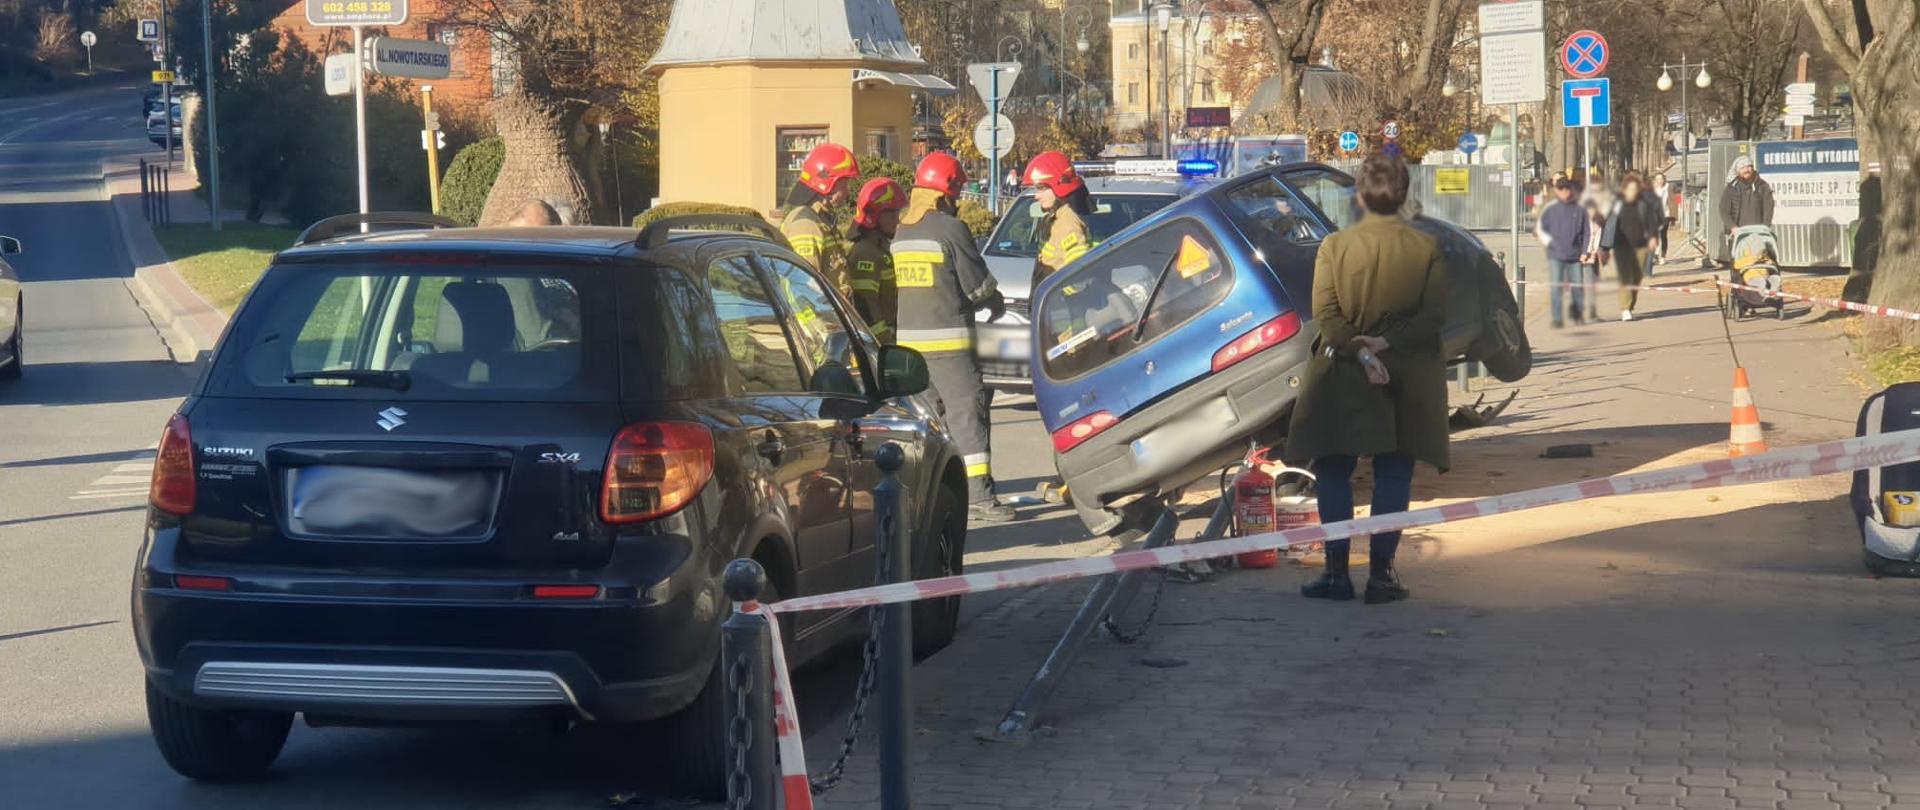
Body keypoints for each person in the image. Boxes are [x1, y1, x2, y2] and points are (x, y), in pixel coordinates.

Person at [1283, 155, 1449, 605]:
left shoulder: (1334, 248)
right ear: (1404, 195)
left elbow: (1327, 316)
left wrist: (1359, 349)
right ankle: (1382, 575)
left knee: (1334, 469)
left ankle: (1336, 575)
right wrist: (1384, 343)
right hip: (1407, 375)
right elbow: (1434, 316)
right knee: (1394, 471)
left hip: (1344, 374)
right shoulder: (1426, 248)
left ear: (1359, 195)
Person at [893, 152, 1013, 522]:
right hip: (949, 348)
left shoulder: (902, 230)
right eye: (957, 191)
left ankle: (930, 494)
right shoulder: (950, 229)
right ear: (946, 192)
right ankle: (979, 496)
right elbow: (977, 288)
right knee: (967, 417)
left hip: (910, 348)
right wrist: (996, 301)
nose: (958, 199)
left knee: (930, 424)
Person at [780, 143, 862, 298]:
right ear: (826, 183)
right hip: (819, 322)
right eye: (844, 184)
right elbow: (804, 291)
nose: (848, 192)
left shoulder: (822, 222)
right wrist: (821, 323)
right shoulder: (805, 226)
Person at [1021, 150, 1093, 292]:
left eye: (1041, 189)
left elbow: (1079, 280)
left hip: (1064, 309)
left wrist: (1059, 299)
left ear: (1059, 186)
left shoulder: (1068, 223)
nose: (1036, 196)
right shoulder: (1053, 219)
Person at [847, 177, 906, 343]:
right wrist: (886, 345)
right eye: (892, 214)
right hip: (878, 345)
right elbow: (865, 308)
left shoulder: (881, 250)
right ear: (875, 215)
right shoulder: (865, 254)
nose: (897, 219)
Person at [1535, 177, 1592, 328]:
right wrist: (1549, 243)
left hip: (1575, 256)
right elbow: (1541, 229)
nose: (1565, 192)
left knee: (1577, 287)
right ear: (1556, 191)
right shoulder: (1551, 209)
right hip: (1556, 256)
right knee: (1556, 288)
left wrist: (1585, 251)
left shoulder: (1580, 210)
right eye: (1561, 189)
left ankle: (1578, 313)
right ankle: (1556, 318)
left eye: (1567, 188)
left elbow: (1586, 231)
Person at [1608, 173, 1661, 321]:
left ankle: (1630, 305)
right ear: (1624, 190)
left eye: (1635, 189)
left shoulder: (1643, 203)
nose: (1632, 192)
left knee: (1636, 277)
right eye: (1629, 189)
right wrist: (1605, 246)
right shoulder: (1618, 203)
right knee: (1626, 276)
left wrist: (1653, 237)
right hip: (1622, 245)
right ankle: (1625, 308)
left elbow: (1652, 221)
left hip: (1640, 245)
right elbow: (1610, 223)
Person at [1720, 154, 1775, 234]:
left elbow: (1768, 208)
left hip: (1759, 232)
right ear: (1738, 171)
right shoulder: (1732, 188)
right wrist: (1733, 227)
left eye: (1749, 166)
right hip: (1737, 233)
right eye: (1743, 168)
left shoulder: (1762, 186)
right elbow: (1723, 210)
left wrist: (1765, 226)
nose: (1746, 170)